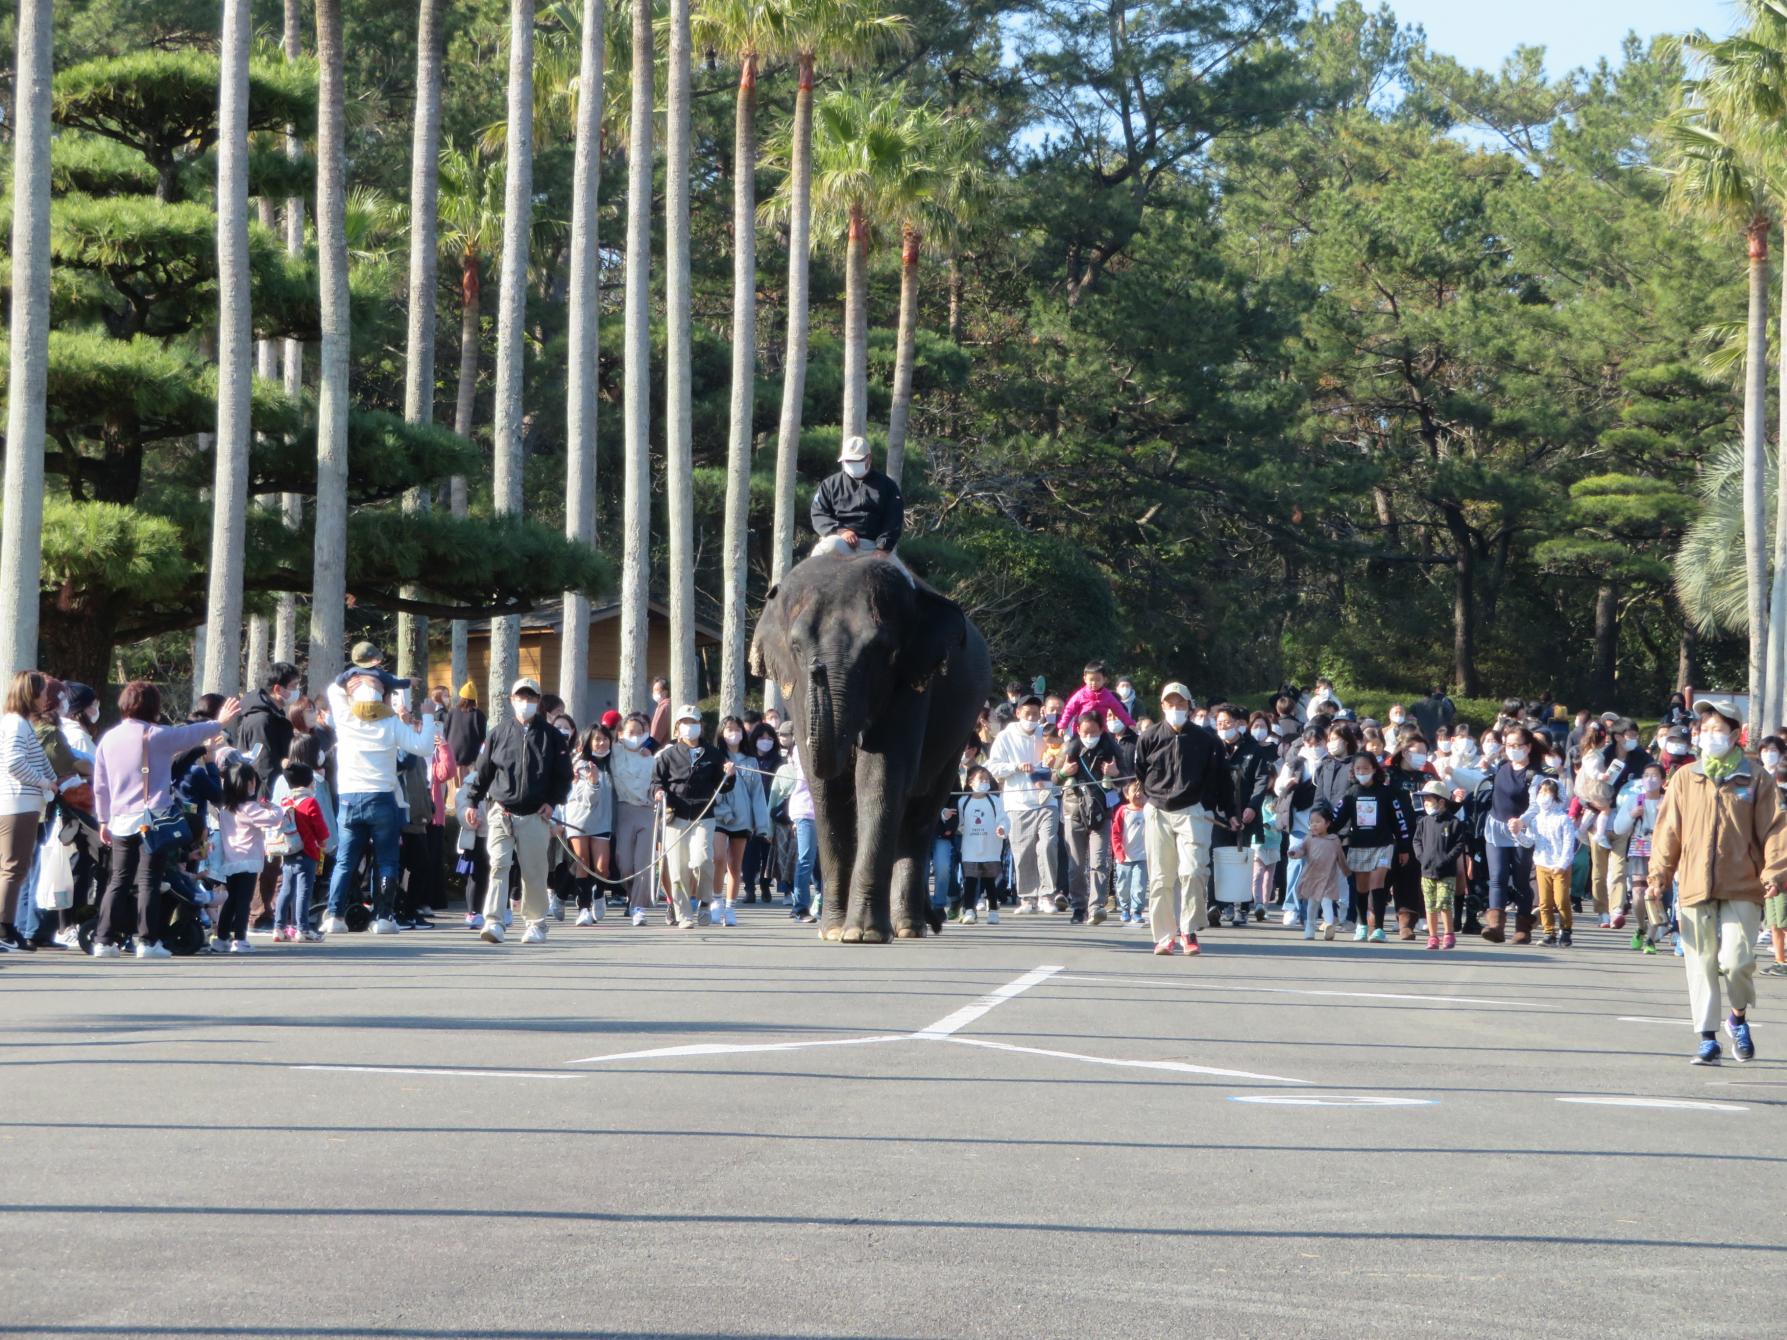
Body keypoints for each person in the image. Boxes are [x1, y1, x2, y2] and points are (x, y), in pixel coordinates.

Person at [1650, 696, 1787, 1065]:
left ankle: (1737, 1018)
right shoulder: (1685, 778)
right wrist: (1658, 875)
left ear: (1735, 734)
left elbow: (1777, 830)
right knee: (1701, 962)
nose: (1709, 735)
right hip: (1694, 883)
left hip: (1743, 883)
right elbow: (1668, 832)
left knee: (1739, 960)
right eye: (1704, 729)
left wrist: (1775, 871)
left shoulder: (1755, 778)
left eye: (1718, 729)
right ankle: (1707, 1038)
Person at [91, 681, 242, 958]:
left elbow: (100, 785)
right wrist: (219, 723)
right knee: (150, 880)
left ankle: (103, 940)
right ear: (153, 706)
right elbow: (192, 734)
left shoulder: (108, 738)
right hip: (154, 819)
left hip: (120, 818)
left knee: (119, 880)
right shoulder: (157, 735)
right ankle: (147, 942)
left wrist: (103, 819)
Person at [319, 669, 440, 937]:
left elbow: (333, 689)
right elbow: (423, 747)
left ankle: (335, 916)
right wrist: (428, 714)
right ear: (381, 699)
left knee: (345, 861)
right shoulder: (391, 724)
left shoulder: (346, 718)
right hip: (382, 798)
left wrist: (355, 675)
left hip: (350, 798)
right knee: (387, 861)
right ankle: (383, 917)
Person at [462, 677, 574, 945]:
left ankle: (536, 923)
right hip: (502, 811)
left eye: (531, 698)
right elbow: (484, 772)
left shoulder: (552, 737)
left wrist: (553, 801)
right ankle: (494, 921)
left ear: (538, 701)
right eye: (521, 698)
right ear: (512, 700)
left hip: (536, 813)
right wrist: (471, 801)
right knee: (499, 864)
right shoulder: (498, 733)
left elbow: (564, 776)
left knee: (534, 870)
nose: (526, 703)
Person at [1134, 681, 1234, 957]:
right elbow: (1141, 770)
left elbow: (1222, 778)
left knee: (1192, 871)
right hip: (1158, 810)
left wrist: (1230, 811)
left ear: (1190, 707)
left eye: (1181, 704)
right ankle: (1165, 936)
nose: (1175, 708)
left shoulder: (1207, 739)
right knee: (1160, 878)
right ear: (1162, 706)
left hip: (1193, 810)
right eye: (1170, 704)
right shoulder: (1150, 736)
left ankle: (1188, 930)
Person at [652, 705, 737, 928]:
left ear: (701, 725)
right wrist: (658, 792)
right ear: (678, 727)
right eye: (685, 723)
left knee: (702, 860)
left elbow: (724, 787)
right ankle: (683, 913)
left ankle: (705, 902)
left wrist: (729, 775)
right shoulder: (667, 755)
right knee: (678, 869)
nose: (690, 727)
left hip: (703, 815)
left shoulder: (713, 754)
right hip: (675, 816)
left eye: (694, 722)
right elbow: (655, 782)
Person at [987, 694, 1059, 915]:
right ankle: (1028, 898)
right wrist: (1017, 767)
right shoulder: (1005, 736)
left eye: (1036, 714)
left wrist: (1056, 761)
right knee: (1023, 850)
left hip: (1046, 799)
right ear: (1018, 713)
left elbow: (1062, 752)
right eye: (1027, 714)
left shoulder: (1046, 733)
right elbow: (993, 767)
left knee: (1047, 844)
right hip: (1018, 802)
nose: (1032, 718)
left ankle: (1047, 895)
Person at [205, 755, 284, 953]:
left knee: (231, 899)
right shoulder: (250, 807)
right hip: (248, 860)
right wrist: (272, 806)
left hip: (231, 860)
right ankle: (240, 939)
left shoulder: (225, 809)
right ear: (250, 783)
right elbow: (274, 818)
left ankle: (221, 938)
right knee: (243, 901)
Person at [1332, 750, 1410, 943]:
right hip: (1358, 844)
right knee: (1361, 886)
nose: (1362, 772)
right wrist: (1321, 831)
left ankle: (1379, 929)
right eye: (1358, 768)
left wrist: (1404, 846)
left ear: (1374, 769)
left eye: (1366, 768)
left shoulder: (1386, 793)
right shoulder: (1351, 793)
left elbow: (1398, 821)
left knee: (1377, 884)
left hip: (1383, 844)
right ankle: (1362, 925)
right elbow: (1337, 819)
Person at [1210, 703, 1272, 926]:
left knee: (1242, 859)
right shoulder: (1215, 747)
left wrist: (1253, 807)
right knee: (1216, 858)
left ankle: (1241, 908)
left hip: (1246, 812)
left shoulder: (1253, 749)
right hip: (1218, 814)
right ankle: (1217, 905)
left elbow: (1261, 781)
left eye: (1227, 723)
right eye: (1219, 723)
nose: (1223, 727)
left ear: (1238, 724)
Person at [1059, 709, 1121, 924]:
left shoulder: (1112, 748)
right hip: (1074, 810)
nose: (1089, 736)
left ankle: (1096, 907)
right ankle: (1078, 907)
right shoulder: (1069, 748)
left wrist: (1115, 774)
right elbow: (1053, 778)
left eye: (1094, 732)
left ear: (1101, 730)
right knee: (1076, 865)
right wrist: (1062, 773)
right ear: (1078, 730)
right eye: (1085, 732)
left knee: (1100, 861)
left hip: (1101, 812)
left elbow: (1128, 778)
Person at [709, 715, 769, 927]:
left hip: (743, 820)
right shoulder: (715, 757)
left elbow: (758, 795)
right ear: (721, 733)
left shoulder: (751, 761)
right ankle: (715, 899)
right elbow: (712, 791)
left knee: (735, 865)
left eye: (737, 729)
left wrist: (762, 825)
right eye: (728, 729)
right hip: (719, 816)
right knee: (717, 857)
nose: (733, 733)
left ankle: (730, 906)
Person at [810, 434, 904, 559]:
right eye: (848, 461)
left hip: (873, 546)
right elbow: (818, 514)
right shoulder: (830, 484)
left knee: (905, 577)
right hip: (839, 542)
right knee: (823, 549)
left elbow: (894, 520)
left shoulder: (888, 486)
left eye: (856, 461)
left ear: (869, 458)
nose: (851, 464)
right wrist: (840, 531)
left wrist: (883, 548)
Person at [1522, 777, 1585, 948]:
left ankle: (1566, 930)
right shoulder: (1536, 820)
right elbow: (1528, 841)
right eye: (1541, 792)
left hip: (1560, 866)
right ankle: (1548, 932)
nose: (1543, 795)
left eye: (1547, 792)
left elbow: (1568, 845)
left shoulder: (1563, 819)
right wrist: (1516, 833)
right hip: (1542, 864)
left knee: (1561, 900)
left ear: (1556, 795)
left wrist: (1562, 864)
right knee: (1544, 901)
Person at [563, 724, 615, 927]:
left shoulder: (613, 762)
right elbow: (587, 799)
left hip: (603, 820)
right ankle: (583, 907)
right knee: (582, 862)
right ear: (588, 742)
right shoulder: (581, 765)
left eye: (605, 739)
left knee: (602, 868)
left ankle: (599, 893)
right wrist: (593, 782)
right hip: (579, 819)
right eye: (597, 739)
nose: (601, 743)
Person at [609, 712, 657, 927]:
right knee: (625, 864)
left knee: (643, 863)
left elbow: (658, 781)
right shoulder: (614, 753)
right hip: (623, 810)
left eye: (640, 733)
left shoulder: (651, 758)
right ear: (620, 734)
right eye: (630, 732)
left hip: (646, 811)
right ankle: (631, 895)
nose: (635, 737)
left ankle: (639, 906)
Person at [271, 761, 328, 942]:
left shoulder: (287, 802)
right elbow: (320, 829)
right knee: (304, 891)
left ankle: (278, 928)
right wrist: (323, 842)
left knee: (286, 890)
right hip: (307, 852)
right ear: (309, 783)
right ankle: (302, 928)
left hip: (288, 853)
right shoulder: (310, 802)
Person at [770, 733, 820, 923]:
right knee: (806, 858)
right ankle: (800, 908)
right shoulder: (801, 747)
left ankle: (822, 901)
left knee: (820, 862)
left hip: (823, 812)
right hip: (805, 810)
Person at [1413, 780, 1465, 950]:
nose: (1425, 803)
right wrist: (1421, 856)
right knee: (1430, 904)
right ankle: (1433, 936)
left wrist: (1447, 859)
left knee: (1444, 902)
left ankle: (1448, 934)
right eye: (1425, 800)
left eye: (1429, 800)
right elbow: (1417, 840)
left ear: (1441, 801)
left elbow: (1459, 844)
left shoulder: (1453, 822)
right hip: (1427, 870)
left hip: (1446, 871)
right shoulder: (1424, 821)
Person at [1287, 802, 1345, 941]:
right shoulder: (1309, 839)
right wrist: (1294, 852)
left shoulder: (1334, 839)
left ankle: (1329, 925)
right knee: (1312, 905)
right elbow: (1301, 849)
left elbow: (1341, 857)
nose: (1314, 825)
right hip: (1312, 876)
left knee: (1327, 901)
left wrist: (1346, 870)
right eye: (1311, 822)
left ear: (1328, 823)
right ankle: (1310, 928)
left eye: (1318, 821)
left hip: (1329, 877)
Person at [957, 765, 1004, 925]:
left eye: (986, 780)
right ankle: (969, 910)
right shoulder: (963, 801)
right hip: (970, 848)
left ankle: (993, 910)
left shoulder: (995, 800)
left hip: (990, 847)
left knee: (990, 880)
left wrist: (1001, 828)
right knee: (970, 880)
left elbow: (1003, 819)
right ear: (970, 782)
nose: (984, 783)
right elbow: (960, 823)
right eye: (980, 779)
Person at [1056, 661, 1137, 736]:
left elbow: (1119, 711)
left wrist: (1130, 723)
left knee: (1113, 749)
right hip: (1082, 732)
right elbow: (1069, 709)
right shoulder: (1081, 694)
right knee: (1071, 749)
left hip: (1101, 732)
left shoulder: (1108, 696)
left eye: (1098, 680)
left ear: (1104, 680)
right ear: (1085, 679)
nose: (1094, 683)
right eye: (1091, 680)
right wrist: (1063, 725)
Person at [1109, 778, 1148, 925]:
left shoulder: (1148, 810)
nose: (1138, 794)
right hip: (1124, 857)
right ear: (1127, 794)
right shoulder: (1123, 811)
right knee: (1123, 885)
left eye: (1141, 791)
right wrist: (1119, 851)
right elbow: (1116, 833)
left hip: (1142, 857)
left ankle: (1136, 911)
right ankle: (1125, 908)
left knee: (1139, 885)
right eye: (1135, 791)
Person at [445, 680, 487, 777]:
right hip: (470, 758)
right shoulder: (478, 715)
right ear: (474, 699)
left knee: (453, 790)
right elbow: (482, 737)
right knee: (467, 789)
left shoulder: (452, 712)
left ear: (461, 697)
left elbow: (446, 731)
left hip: (452, 756)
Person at [648, 678, 672, 746]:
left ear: (665, 692)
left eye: (656, 690)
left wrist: (646, 747)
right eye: (653, 691)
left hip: (661, 749)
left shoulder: (664, 707)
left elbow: (655, 735)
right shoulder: (671, 705)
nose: (653, 693)